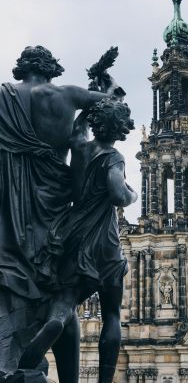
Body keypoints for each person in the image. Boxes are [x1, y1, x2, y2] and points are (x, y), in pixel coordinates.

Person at [0, 46, 122, 381]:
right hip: (55, 210)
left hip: (10, 209)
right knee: (59, 297)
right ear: (51, 68)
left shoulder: (3, 96)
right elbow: (113, 109)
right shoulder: (67, 94)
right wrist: (106, 84)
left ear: (20, 68)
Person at [19, 99, 138, 383]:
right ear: (121, 129)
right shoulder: (114, 157)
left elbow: (75, 128)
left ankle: (55, 323)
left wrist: (97, 100)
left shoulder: (80, 146)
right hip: (104, 241)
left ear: (96, 123)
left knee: (64, 301)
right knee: (111, 313)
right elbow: (119, 196)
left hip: (72, 233)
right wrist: (132, 192)